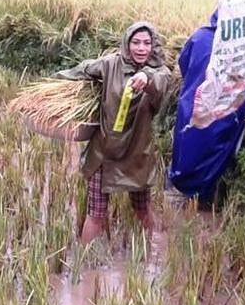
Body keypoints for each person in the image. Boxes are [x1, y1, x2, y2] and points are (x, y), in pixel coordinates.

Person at [55, 22, 171, 244]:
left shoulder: (160, 72)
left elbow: (159, 81)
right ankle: (83, 262)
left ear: (153, 45)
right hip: (104, 152)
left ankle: (156, 253)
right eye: (135, 42)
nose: (141, 48)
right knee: (96, 213)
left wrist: (145, 78)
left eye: (147, 43)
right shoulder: (111, 64)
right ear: (127, 44)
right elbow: (84, 68)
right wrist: (56, 80)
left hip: (137, 153)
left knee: (143, 209)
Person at [168, 11, 245, 202]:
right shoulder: (241, 46)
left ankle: (180, 187)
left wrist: (195, 84)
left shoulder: (200, 36)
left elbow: (184, 62)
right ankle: (203, 198)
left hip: (193, 102)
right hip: (221, 111)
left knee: (187, 145)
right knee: (211, 152)